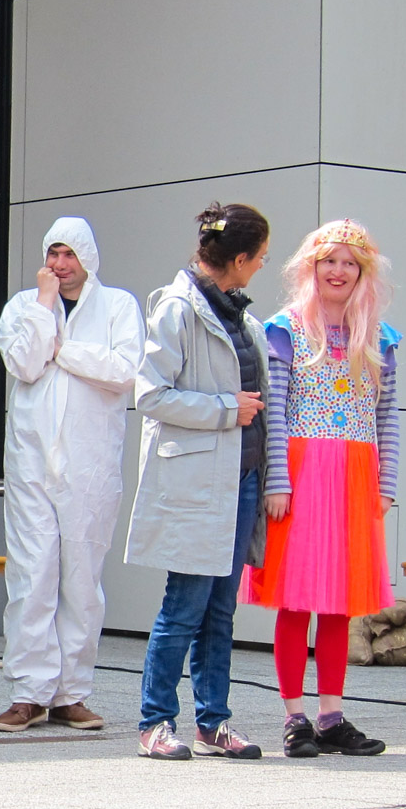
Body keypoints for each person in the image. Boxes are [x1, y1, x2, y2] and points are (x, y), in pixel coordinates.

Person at [243, 220, 398, 758]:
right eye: (329, 260)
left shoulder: (378, 336)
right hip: (302, 470)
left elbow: (386, 416)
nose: (339, 271)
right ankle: (295, 717)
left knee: (340, 604)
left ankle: (332, 716)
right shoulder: (286, 329)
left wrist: (386, 483)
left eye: (349, 263)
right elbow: (275, 410)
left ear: (363, 272)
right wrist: (277, 480)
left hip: (356, 474)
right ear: (311, 267)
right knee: (297, 600)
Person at [125, 202, 270, 761]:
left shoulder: (242, 316)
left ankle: (214, 722)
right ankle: (155, 722)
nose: (262, 265)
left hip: (240, 480)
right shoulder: (177, 308)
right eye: (260, 257)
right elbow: (151, 394)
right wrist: (225, 409)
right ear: (238, 258)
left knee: (220, 609)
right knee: (184, 605)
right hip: (197, 482)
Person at [0, 218, 144, 733]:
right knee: (31, 575)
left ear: (87, 258)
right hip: (31, 462)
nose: (59, 265)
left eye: (69, 255)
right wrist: (43, 306)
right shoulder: (23, 306)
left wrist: (65, 351)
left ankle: (71, 693)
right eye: (52, 254)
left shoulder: (118, 306)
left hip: (90, 465)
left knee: (81, 580)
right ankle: (28, 693)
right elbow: (24, 363)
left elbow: (125, 370)